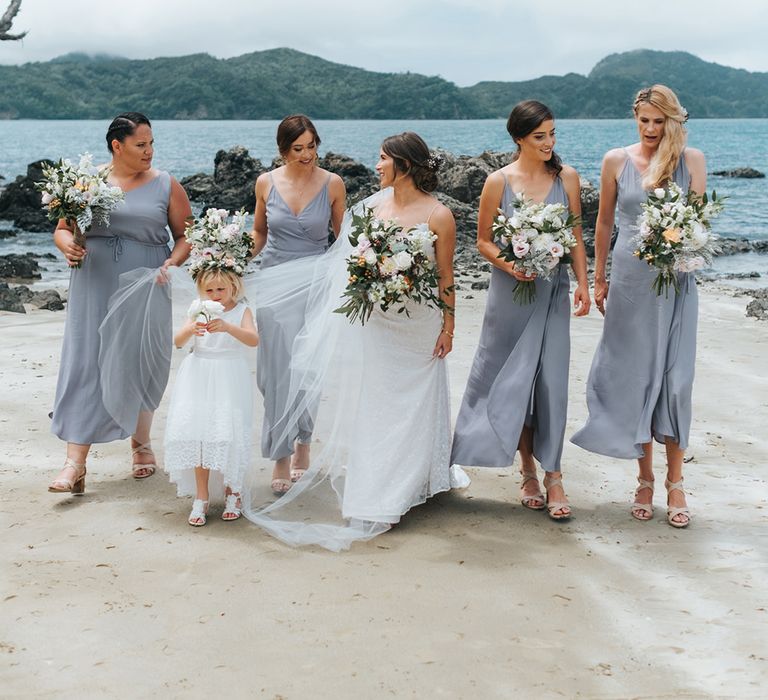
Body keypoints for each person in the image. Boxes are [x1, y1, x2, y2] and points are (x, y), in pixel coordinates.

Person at [243, 131, 464, 550]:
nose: (377, 166)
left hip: (420, 322)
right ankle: (380, 481)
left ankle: (421, 476)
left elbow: (445, 278)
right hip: (379, 322)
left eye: (383, 159)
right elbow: (346, 267)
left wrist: (448, 327)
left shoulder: (439, 216)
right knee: (378, 401)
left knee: (420, 399)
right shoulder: (369, 209)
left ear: (404, 164)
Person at [571, 85, 706, 528]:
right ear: (635, 118)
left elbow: (699, 223)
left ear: (673, 120)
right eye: (644, 120)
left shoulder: (693, 162)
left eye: (658, 121)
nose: (650, 129)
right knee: (636, 376)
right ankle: (645, 478)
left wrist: (683, 241)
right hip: (630, 283)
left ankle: (676, 480)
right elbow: (605, 220)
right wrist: (598, 277)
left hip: (676, 283)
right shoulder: (616, 160)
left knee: (677, 380)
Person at [451, 100, 591, 520]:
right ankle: (528, 470)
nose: (549, 142)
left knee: (551, 382)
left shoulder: (567, 178)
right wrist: (512, 264)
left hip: (552, 294)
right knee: (511, 381)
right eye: (539, 136)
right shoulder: (498, 181)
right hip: (510, 296)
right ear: (519, 139)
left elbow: (576, 237)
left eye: (552, 134)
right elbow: (483, 241)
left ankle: (554, 473)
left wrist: (584, 283)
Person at [48, 112, 192, 495]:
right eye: (140, 144)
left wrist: (171, 262)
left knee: (141, 359)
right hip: (94, 283)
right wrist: (67, 246)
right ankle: (74, 462)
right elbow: (62, 229)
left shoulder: (165, 185)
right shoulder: (87, 182)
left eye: (151, 143)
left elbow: (185, 236)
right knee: (87, 360)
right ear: (117, 146)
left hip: (147, 281)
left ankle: (141, 443)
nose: (149, 151)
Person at [250, 114, 346, 495]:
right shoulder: (265, 183)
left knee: (307, 364)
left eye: (312, 146)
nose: (307, 155)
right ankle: (280, 454)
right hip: (273, 282)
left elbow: (341, 240)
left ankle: (303, 443)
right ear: (283, 151)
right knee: (276, 370)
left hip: (315, 284)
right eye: (298, 149)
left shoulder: (333, 184)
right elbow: (259, 231)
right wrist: (235, 257)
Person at [164, 268, 259, 526]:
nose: (216, 295)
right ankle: (201, 496)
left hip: (229, 375)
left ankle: (233, 491)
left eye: (221, 289)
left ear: (233, 287)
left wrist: (228, 327)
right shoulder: (197, 309)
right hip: (199, 374)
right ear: (201, 291)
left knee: (229, 433)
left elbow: (253, 340)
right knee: (200, 436)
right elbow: (178, 341)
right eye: (210, 290)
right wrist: (192, 329)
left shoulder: (242, 311)